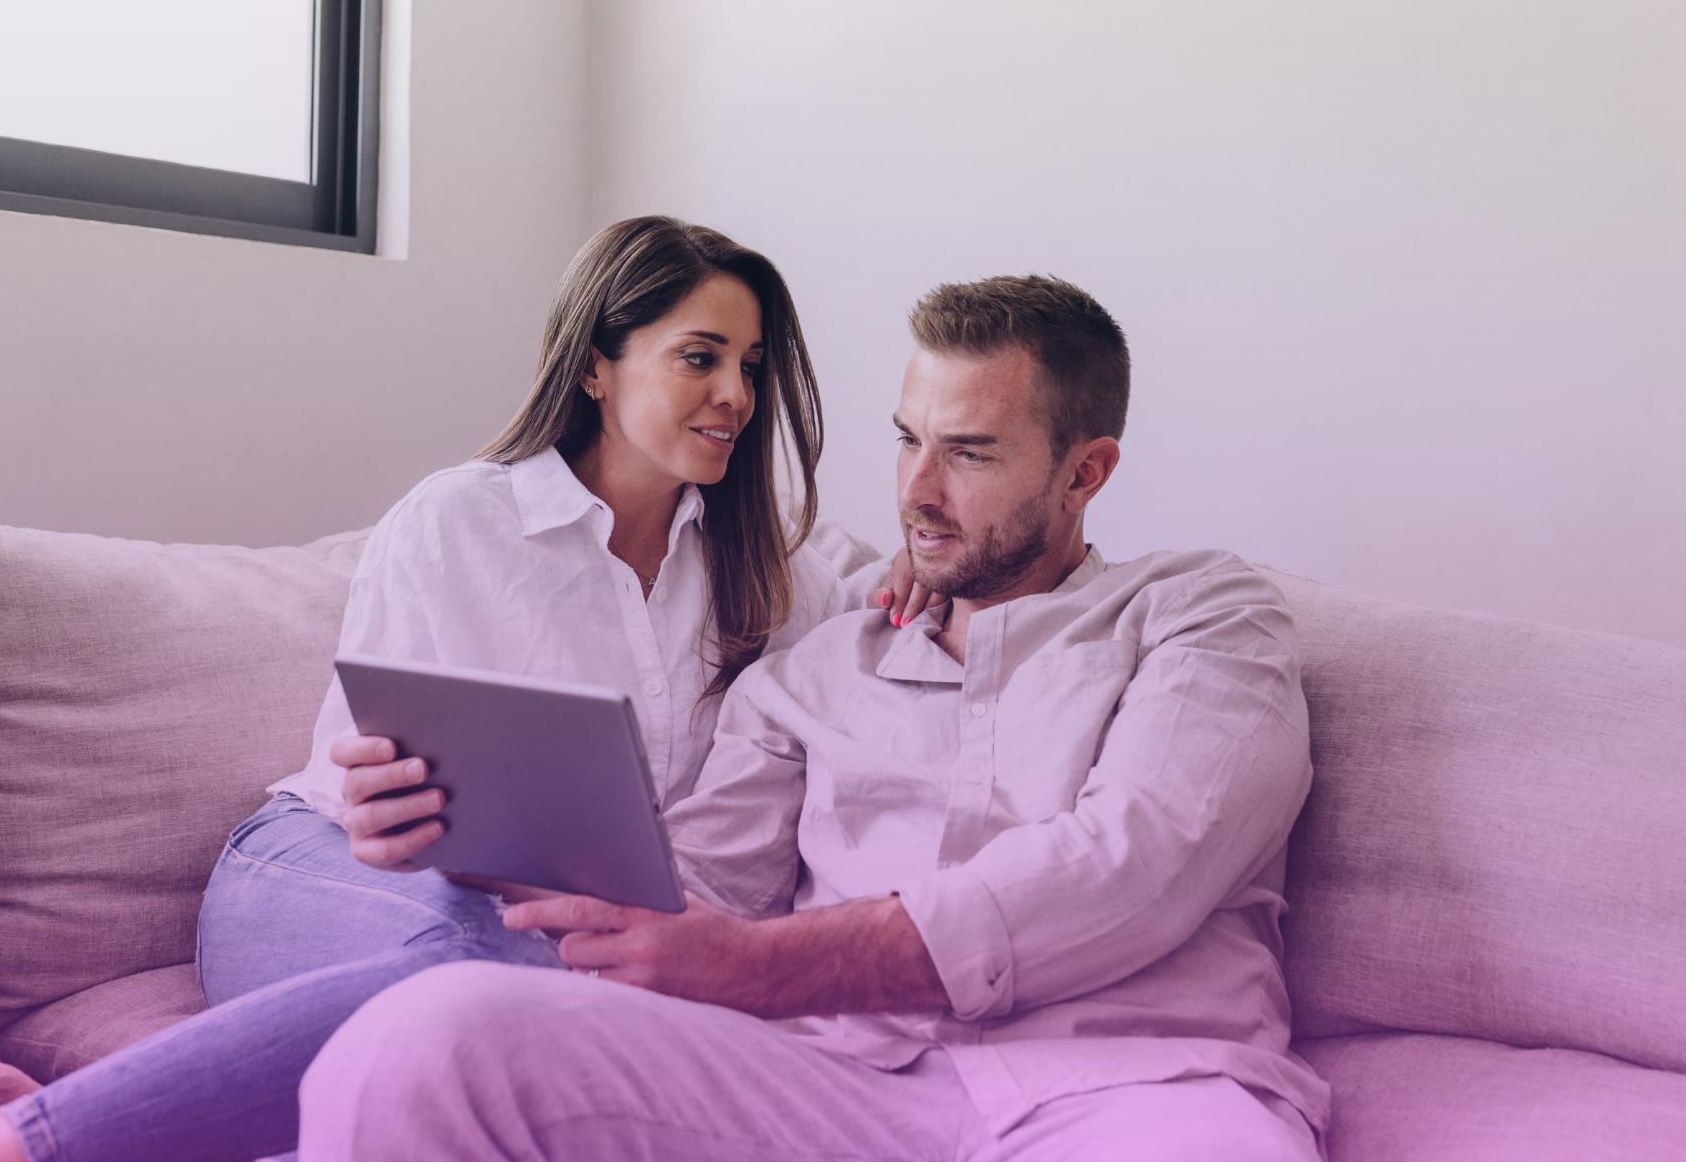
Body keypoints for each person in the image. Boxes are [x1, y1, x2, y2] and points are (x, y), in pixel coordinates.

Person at [293, 275, 1331, 1162]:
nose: (917, 491)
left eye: (968, 454)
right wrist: (453, 832)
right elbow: (685, 898)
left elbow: (1137, 861)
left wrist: (761, 962)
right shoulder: (814, 668)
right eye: (906, 441)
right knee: (421, 1039)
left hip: (1130, 1091)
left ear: (1085, 472)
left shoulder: (1204, 614)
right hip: (830, 1083)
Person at [0, 216, 934, 1162]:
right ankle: (24, 1142)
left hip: (550, 919)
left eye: (753, 366)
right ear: (596, 365)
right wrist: (388, 806)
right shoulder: (458, 519)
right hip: (327, 864)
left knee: (571, 978)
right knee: (493, 962)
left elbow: (903, 598)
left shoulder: (778, 559)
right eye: (700, 357)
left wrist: (919, 572)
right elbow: (375, 795)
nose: (737, 394)